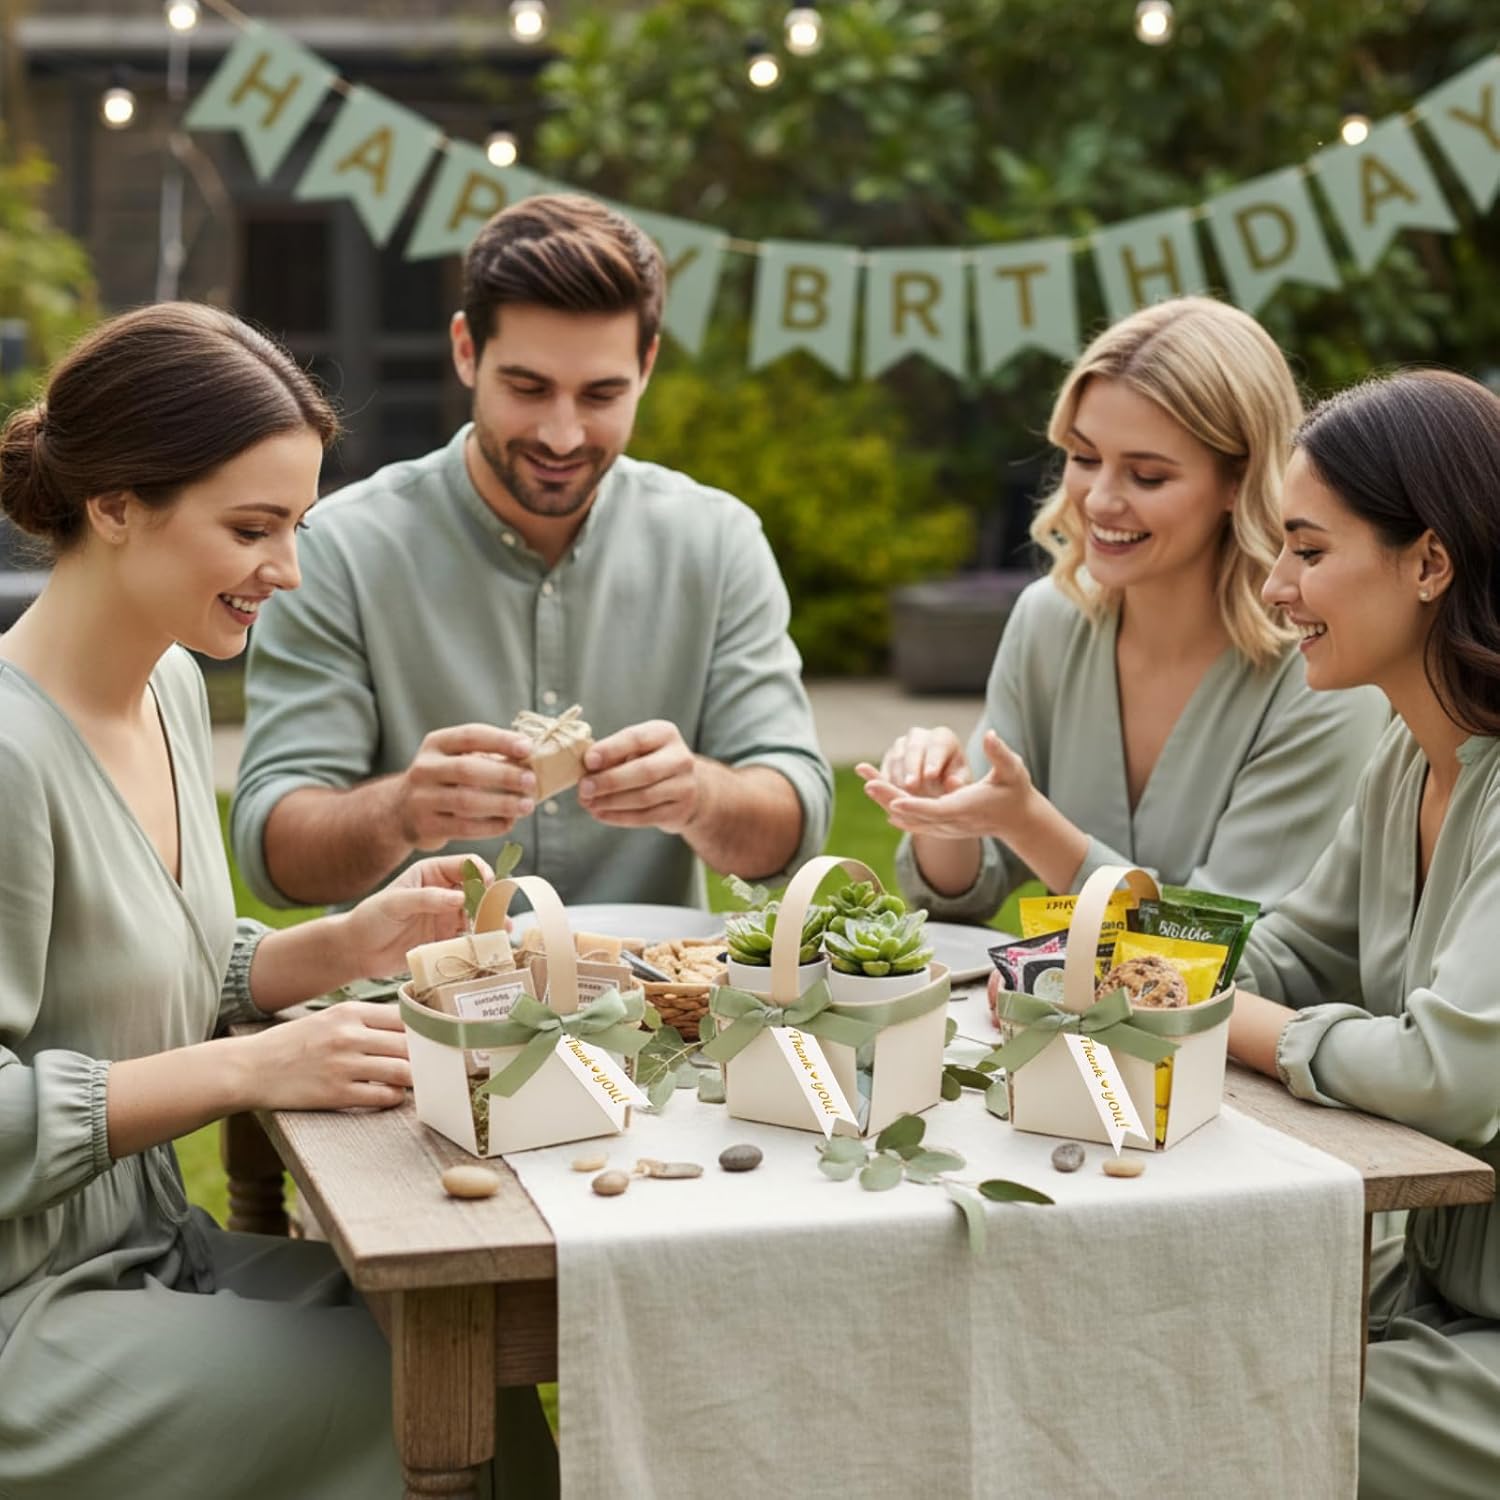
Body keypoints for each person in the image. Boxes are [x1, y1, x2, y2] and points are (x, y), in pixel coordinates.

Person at [0, 303, 506, 1497]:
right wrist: (246, 1071)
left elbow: (164, 960)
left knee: (465, 1343)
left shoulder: (169, 684)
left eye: (298, 525)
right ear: (116, 506)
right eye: (253, 527)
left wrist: (348, 939)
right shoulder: (10, 757)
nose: (288, 569)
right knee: (404, 1393)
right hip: (28, 1314)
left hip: (145, 1252)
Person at [231, 193, 832, 912]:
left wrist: (699, 795)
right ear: (465, 351)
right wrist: (402, 813)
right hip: (410, 1013)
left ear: (647, 365)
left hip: (654, 1013)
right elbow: (274, 855)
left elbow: (795, 827)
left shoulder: (719, 542)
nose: (562, 435)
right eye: (527, 387)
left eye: (601, 394)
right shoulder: (340, 548)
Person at [858, 296, 1387, 915]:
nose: (1100, 499)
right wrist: (938, 805)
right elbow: (956, 896)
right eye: (1084, 458)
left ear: (1238, 481)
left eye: (1148, 476)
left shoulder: (1324, 668)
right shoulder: (1048, 620)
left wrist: (1031, 825)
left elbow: (1232, 945)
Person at [1229, 371, 1500, 1499]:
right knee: (1178, 1336)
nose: (1279, 587)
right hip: (1434, 1290)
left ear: (1429, 563)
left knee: (1218, 1420)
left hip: (1479, 1338)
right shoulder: (1407, 759)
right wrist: (1119, 966)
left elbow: (1453, 1076)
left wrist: (1232, 1025)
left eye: (1308, 550)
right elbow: (1289, 953)